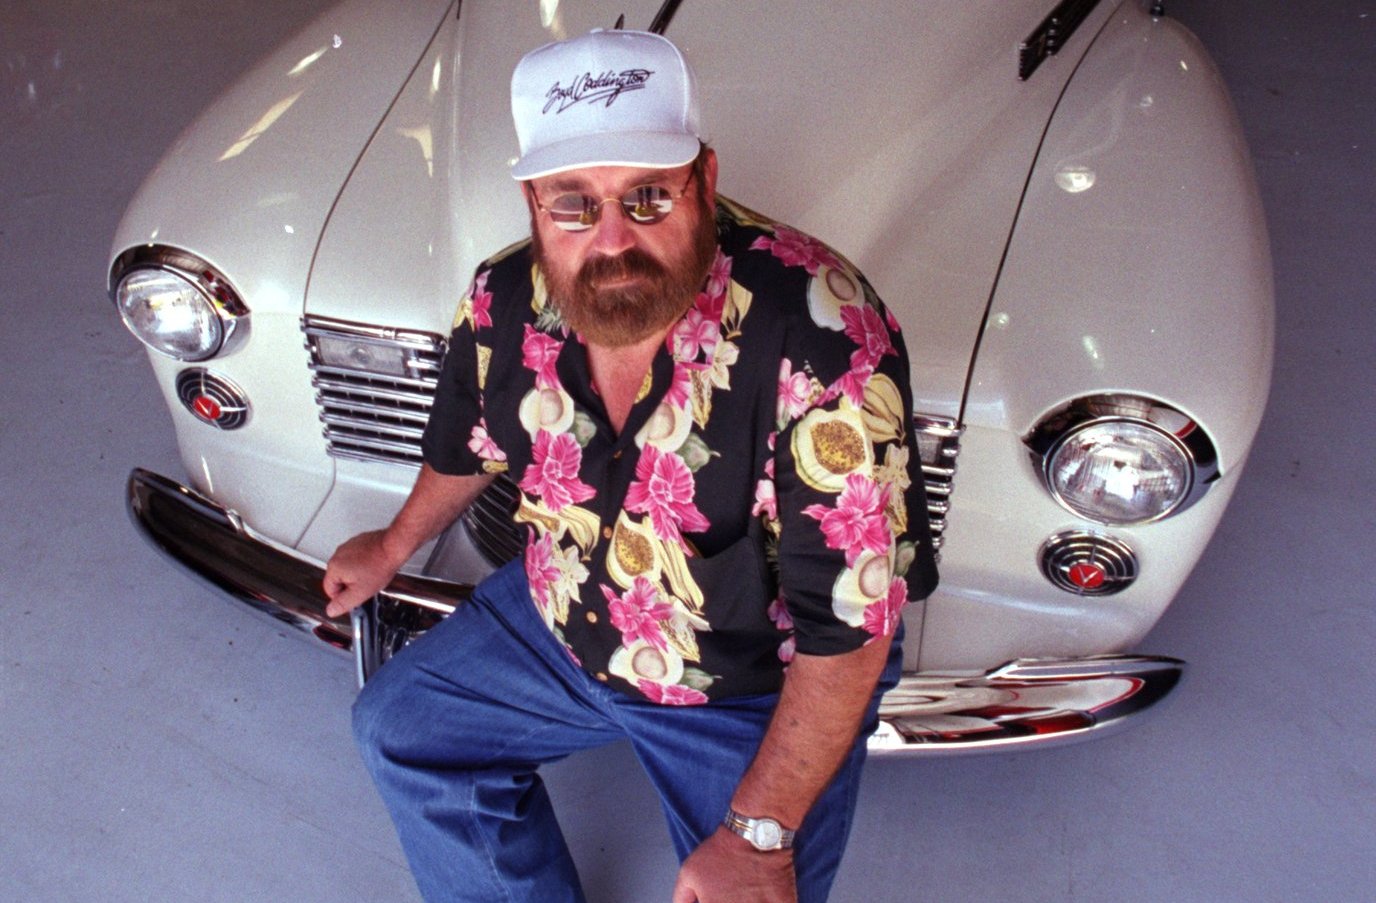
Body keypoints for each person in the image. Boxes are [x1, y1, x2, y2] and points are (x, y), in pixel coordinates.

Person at [323, 27, 937, 903]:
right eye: (573, 203)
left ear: (706, 182)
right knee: (402, 728)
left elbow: (852, 631)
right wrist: (392, 545)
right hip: (565, 613)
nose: (613, 240)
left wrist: (757, 838)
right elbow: (474, 443)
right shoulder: (506, 300)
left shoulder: (824, 342)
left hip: (746, 683)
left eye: (648, 196)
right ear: (534, 201)